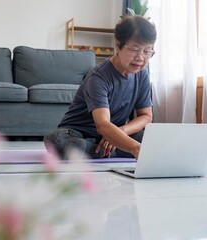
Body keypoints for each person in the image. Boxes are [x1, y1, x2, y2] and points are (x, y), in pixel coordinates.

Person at [44, 15, 157, 160]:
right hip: (80, 133)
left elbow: (146, 116)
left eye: (147, 51)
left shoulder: (142, 74)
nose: (141, 57)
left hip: (114, 134)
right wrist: (134, 147)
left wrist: (121, 132)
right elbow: (103, 125)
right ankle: (114, 149)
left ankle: (106, 149)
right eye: (135, 49)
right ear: (118, 45)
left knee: (152, 137)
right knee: (57, 140)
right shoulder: (98, 77)